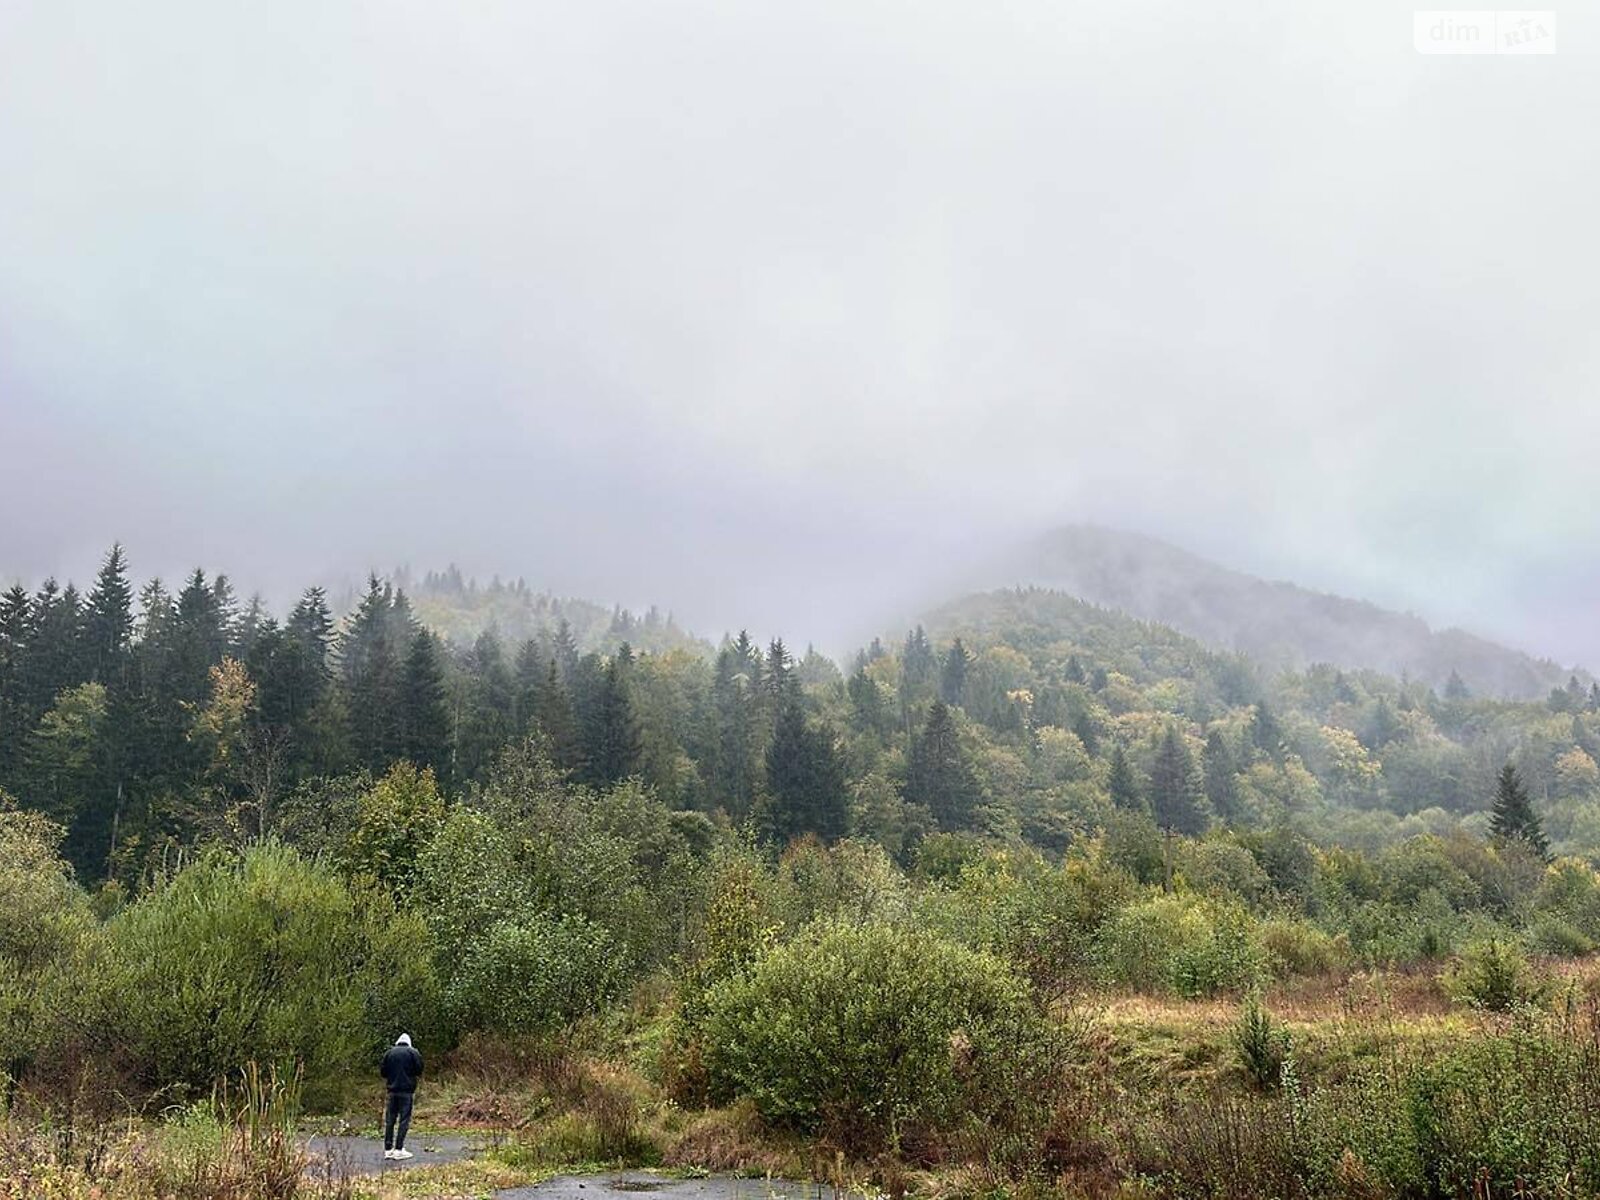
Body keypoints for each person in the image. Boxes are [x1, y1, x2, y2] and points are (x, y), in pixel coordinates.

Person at [379, 1033, 424, 1161]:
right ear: (409, 1042)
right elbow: (419, 1070)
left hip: (392, 1091)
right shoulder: (413, 1052)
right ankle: (399, 1149)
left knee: (390, 1120)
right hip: (406, 1091)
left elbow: (383, 1072)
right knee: (404, 1120)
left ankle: (388, 1150)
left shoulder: (389, 1053)